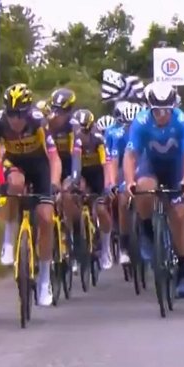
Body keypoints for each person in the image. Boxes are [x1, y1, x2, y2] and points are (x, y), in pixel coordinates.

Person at [0, 83, 60, 306]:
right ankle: (9, 240)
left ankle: (45, 280)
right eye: (11, 114)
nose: (15, 120)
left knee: (46, 218)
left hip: (39, 167)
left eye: (19, 114)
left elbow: (54, 157)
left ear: (28, 112)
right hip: (15, 164)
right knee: (16, 184)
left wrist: (54, 182)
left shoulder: (38, 122)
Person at [124, 82, 184, 298]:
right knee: (143, 189)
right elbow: (130, 155)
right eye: (157, 111)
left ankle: (182, 272)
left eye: (167, 110)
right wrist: (129, 180)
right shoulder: (141, 121)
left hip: (175, 168)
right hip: (151, 166)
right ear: (150, 108)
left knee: (180, 215)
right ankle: (147, 231)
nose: (162, 115)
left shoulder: (182, 121)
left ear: (173, 107)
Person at [71, 108, 113, 270]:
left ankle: (106, 249)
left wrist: (108, 185)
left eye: (83, 130)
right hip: (82, 174)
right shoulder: (74, 139)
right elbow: (74, 163)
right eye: (77, 129)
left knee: (101, 209)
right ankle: (75, 247)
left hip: (97, 175)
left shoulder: (98, 140)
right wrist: (74, 182)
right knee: (73, 201)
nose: (79, 132)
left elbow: (106, 164)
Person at [46, 88, 79, 269]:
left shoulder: (72, 127)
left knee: (66, 195)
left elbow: (75, 155)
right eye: (55, 109)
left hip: (68, 165)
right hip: (50, 164)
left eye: (62, 111)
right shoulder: (46, 123)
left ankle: (70, 237)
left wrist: (72, 179)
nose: (57, 115)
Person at [105, 102, 140, 266]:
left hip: (144, 168)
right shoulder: (118, 135)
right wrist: (112, 182)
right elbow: (113, 161)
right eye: (127, 125)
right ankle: (124, 246)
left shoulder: (147, 133)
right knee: (123, 198)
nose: (131, 128)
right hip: (124, 169)